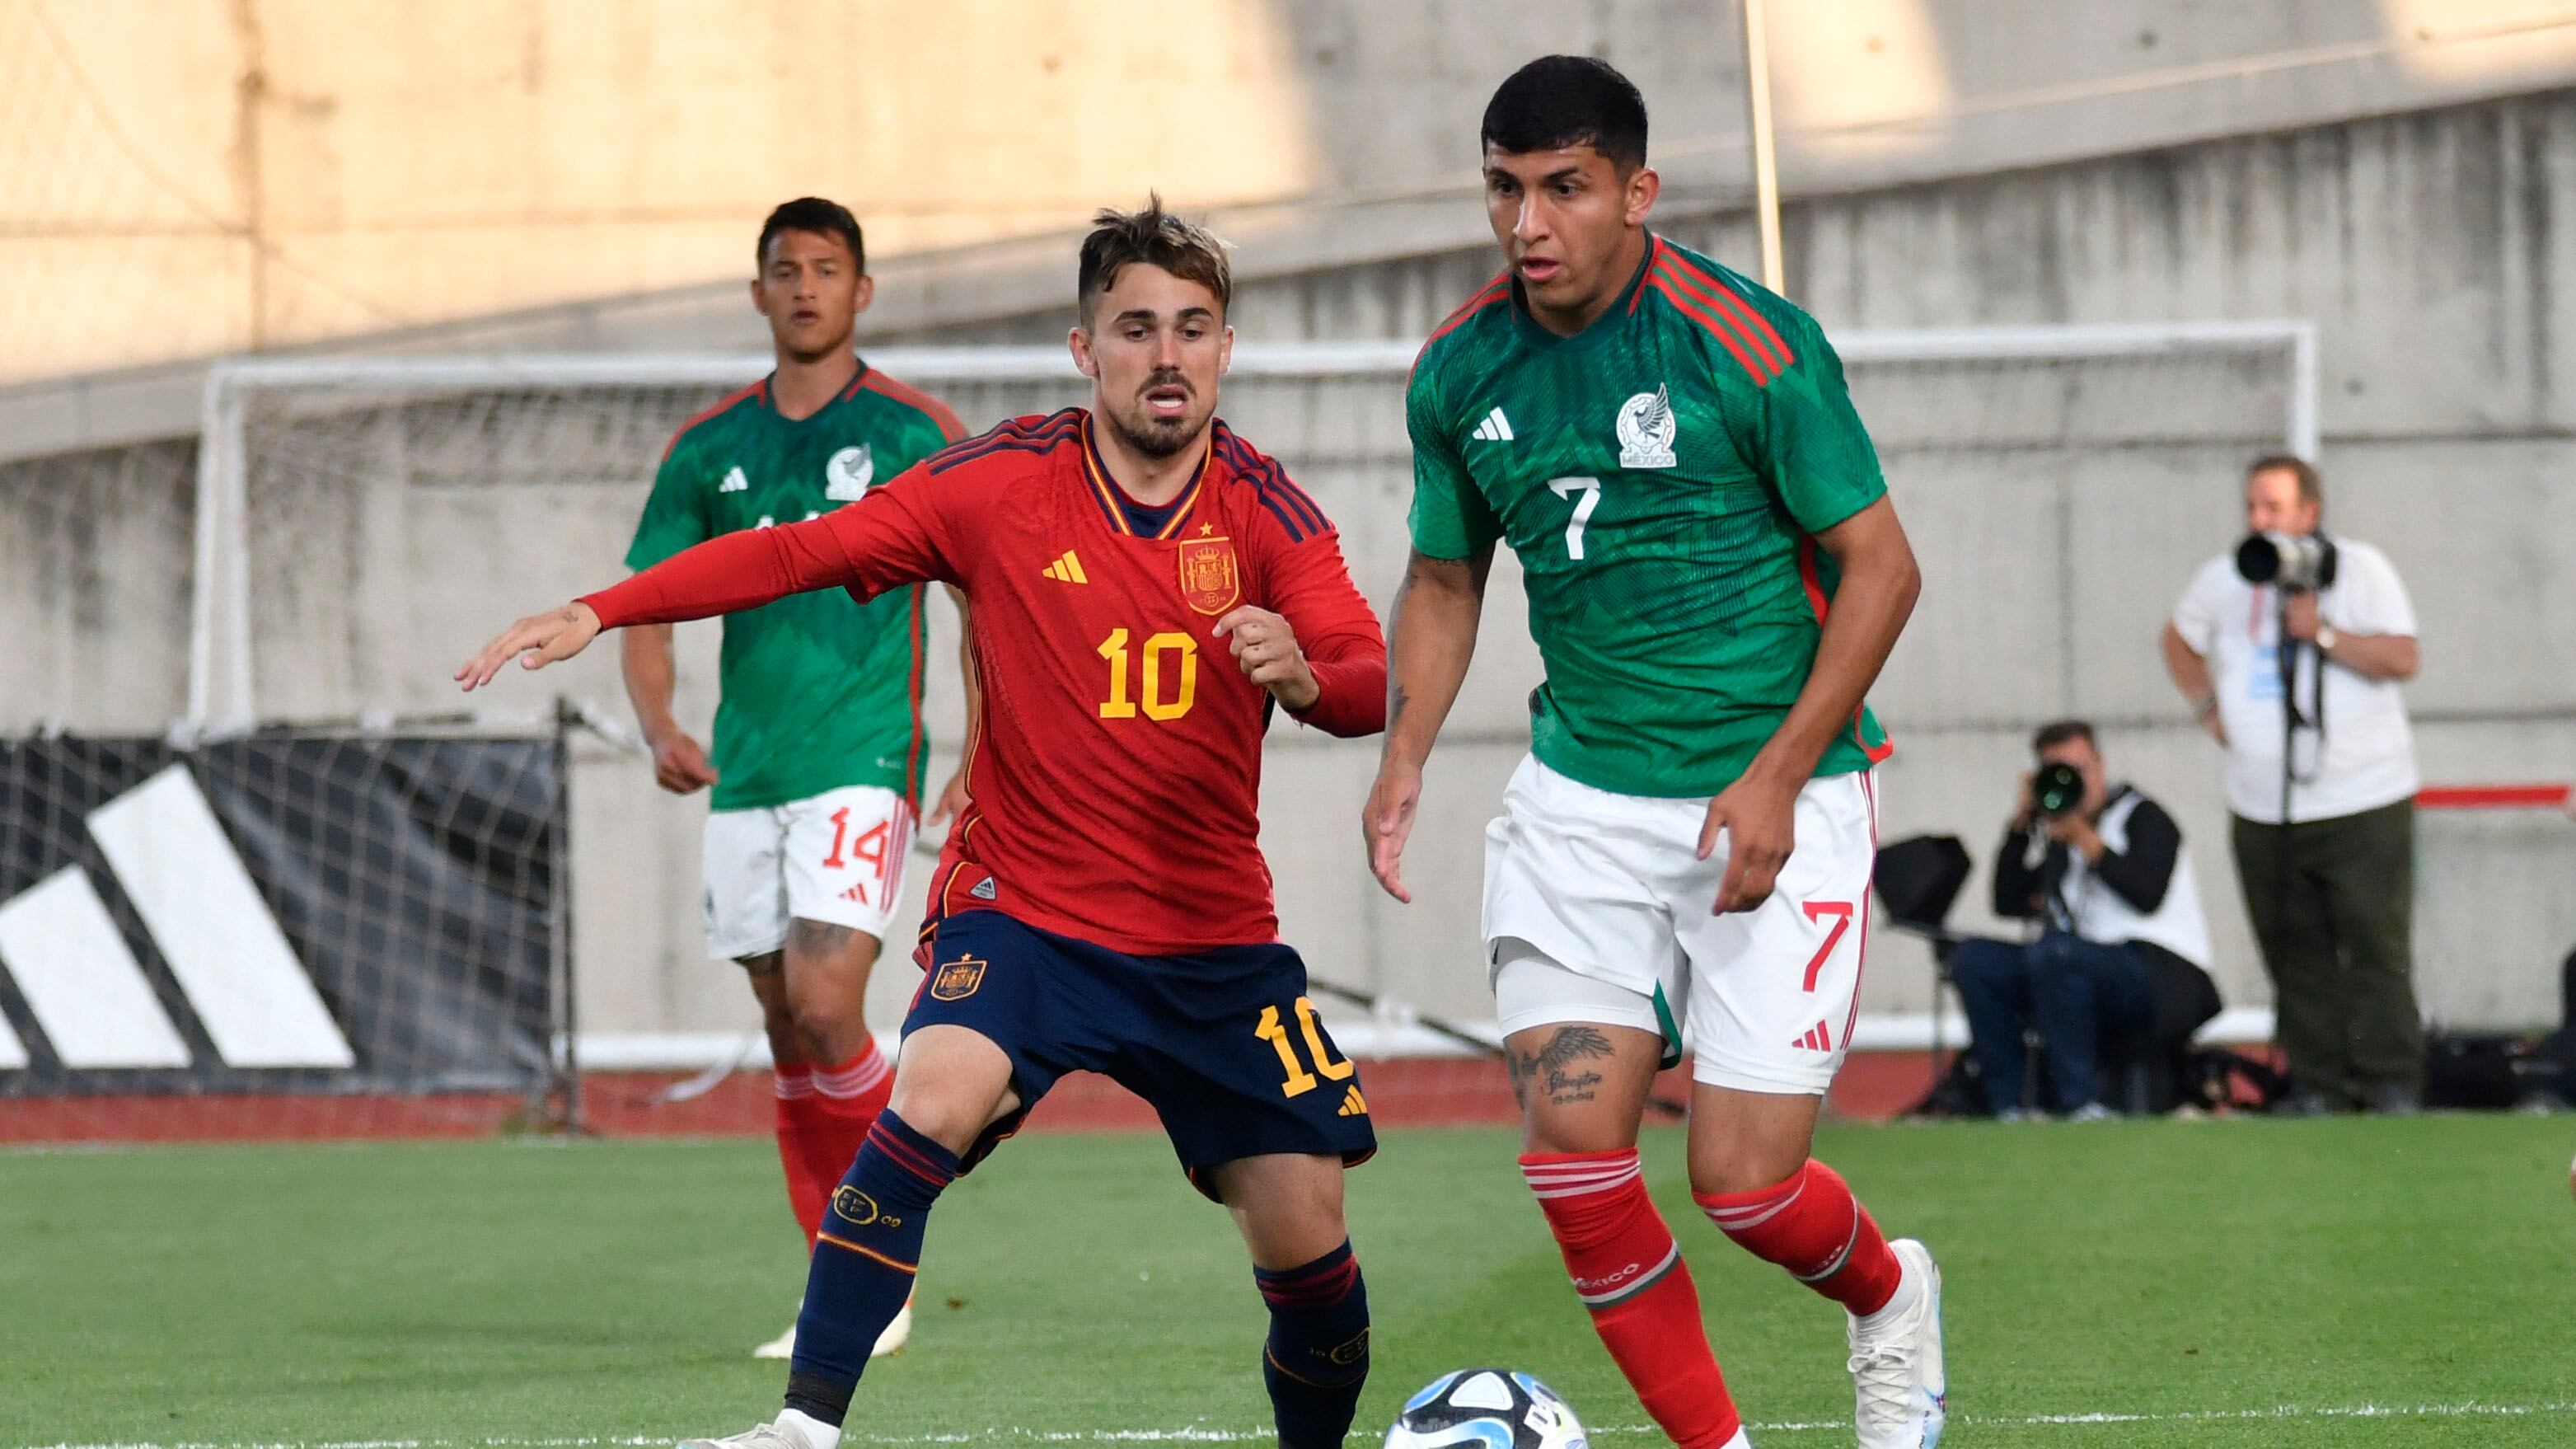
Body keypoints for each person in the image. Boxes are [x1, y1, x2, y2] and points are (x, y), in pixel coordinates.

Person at [461, 199, 1387, 1449]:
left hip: (1209, 944)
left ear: (1224, 349)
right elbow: (795, 555)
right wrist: (602, 609)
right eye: (1135, 329)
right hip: (1029, 914)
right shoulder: (999, 484)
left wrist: (1305, 675)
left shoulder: (1270, 514)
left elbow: (1365, 677)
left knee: (1310, 1241)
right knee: (929, 1098)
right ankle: (801, 1430)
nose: (1165, 355)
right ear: (1083, 349)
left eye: (1193, 329)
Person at [1364, 56, 1943, 1449]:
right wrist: (1403, 760)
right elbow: (1445, 582)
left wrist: (1776, 777)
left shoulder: (1747, 343)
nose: (1528, 221)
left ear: (1637, 190)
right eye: (1504, 188)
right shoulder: (1458, 366)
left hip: (1775, 792)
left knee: (1745, 1184)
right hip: (1578, 807)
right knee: (1575, 1163)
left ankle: (1891, 1293)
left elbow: (1881, 570)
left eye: (1562, 187)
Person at [619, 197, 975, 1359]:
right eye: (788, 270)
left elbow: (992, 593)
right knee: (785, 1028)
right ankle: (835, 1269)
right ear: (758, 290)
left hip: (863, 755)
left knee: (830, 1006)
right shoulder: (708, 448)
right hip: (746, 771)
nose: (808, 287)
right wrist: (659, 718)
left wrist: (985, 747)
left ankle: (886, 1256)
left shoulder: (917, 431)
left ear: (863, 291)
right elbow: (651, 600)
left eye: (829, 269)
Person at [2161, 455, 2424, 1114]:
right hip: (2263, 806)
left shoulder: (2362, 570)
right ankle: (2318, 1083)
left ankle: (2389, 1080)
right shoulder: (2226, 577)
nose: (2259, 520)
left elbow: (2403, 656)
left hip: (2364, 800)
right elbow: (2176, 640)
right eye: (2252, 507)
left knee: (2375, 946)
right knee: (2292, 950)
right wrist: (2209, 710)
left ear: (2310, 511)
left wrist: (2325, 634)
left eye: (2273, 508)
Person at [1947, 721, 2213, 1120]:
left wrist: (2084, 839)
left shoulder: (2142, 816)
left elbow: (2147, 894)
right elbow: (2008, 902)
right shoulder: (2057, 837)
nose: (2074, 783)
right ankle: (2012, 1106)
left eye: (2080, 770)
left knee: (2055, 955)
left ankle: (2081, 1103)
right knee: (1975, 960)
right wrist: (2021, 825)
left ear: (2100, 766)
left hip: (2164, 975)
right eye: (2058, 773)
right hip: (2072, 967)